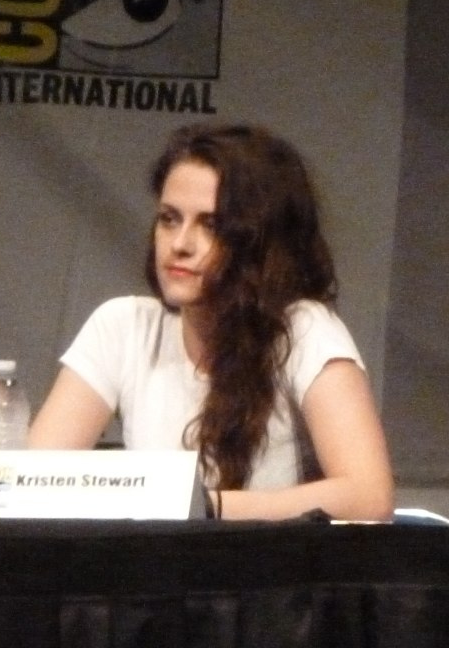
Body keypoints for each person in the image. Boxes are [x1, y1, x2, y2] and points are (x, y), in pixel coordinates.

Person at [28, 123, 394, 521]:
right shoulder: (123, 326)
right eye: (169, 219)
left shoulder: (303, 329)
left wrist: (198, 507)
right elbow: (30, 485)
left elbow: (369, 496)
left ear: (260, 242)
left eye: (211, 225)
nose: (180, 244)